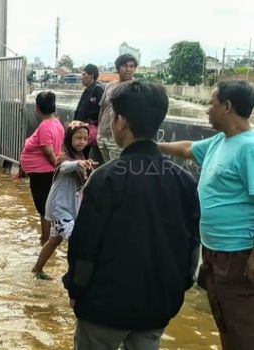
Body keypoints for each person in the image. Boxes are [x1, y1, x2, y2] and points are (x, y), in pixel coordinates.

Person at [64, 80, 200, 350]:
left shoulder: (106, 177)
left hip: (104, 307)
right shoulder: (183, 179)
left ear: (121, 121)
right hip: (158, 306)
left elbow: (85, 245)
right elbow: (192, 244)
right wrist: (178, 286)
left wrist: (76, 289)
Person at [158, 80, 254, 350]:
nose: (207, 111)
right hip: (214, 249)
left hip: (238, 253)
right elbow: (189, 148)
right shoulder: (221, 141)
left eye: (211, 104)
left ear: (227, 106)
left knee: (244, 327)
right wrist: (156, 147)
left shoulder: (249, 147)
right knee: (225, 322)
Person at [31, 122, 95, 279]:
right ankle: (75, 279)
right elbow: (65, 167)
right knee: (77, 242)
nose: (82, 141)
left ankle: (37, 270)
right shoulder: (64, 157)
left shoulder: (81, 158)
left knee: (53, 241)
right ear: (68, 139)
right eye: (78, 137)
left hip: (68, 209)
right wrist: (78, 164)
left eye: (85, 138)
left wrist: (88, 167)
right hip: (59, 208)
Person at [19, 91, 65, 246]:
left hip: (42, 174)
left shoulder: (46, 126)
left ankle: (45, 241)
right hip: (44, 173)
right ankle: (48, 240)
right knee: (47, 208)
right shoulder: (56, 122)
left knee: (44, 210)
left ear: (37, 108)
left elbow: (49, 152)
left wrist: (58, 168)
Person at [96, 54, 138, 164]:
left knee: (118, 169)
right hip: (103, 136)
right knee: (105, 168)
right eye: (124, 66)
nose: (128, 69)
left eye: (131, 66)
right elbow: (102, 109)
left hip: (120, 138)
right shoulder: (110, 85)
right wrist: (99, 130)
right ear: (118, 68)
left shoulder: (136, 87)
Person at [73, 64, 104, 159]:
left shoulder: (98, 89)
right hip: (81, 127)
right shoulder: (88, 90)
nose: (81, 77)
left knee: (85, 156)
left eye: (84, 75)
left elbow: (102, 111)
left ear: (91, 76)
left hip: (89, 130)